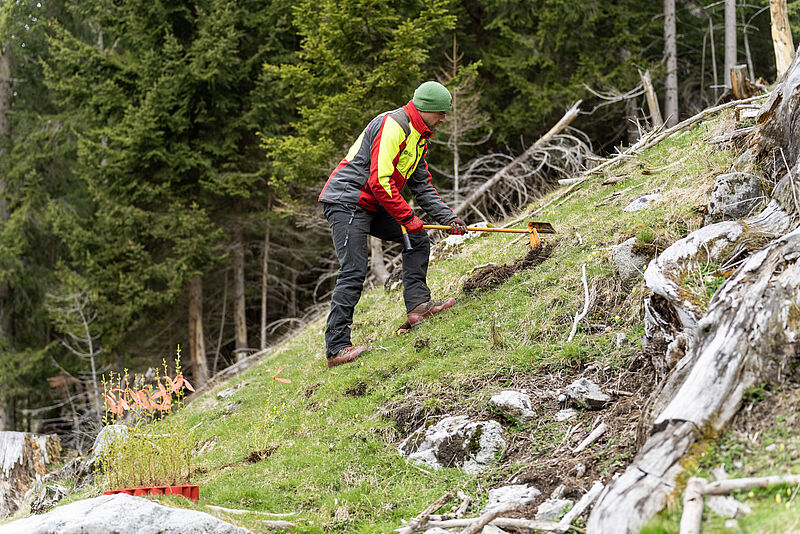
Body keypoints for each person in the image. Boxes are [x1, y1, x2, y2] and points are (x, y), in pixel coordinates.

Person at [318, 81, 467, 368]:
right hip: (346, 202)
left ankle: (418, 307)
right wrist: (408, 219)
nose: (444, 119)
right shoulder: (393, 125)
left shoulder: (420, 137)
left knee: (418, 238)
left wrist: (448, 218)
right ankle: (336, 348)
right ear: (425, 109)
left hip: (373, 204)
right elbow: (380, 181)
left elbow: (422, 187)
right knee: (354, 270)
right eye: (441, 113)